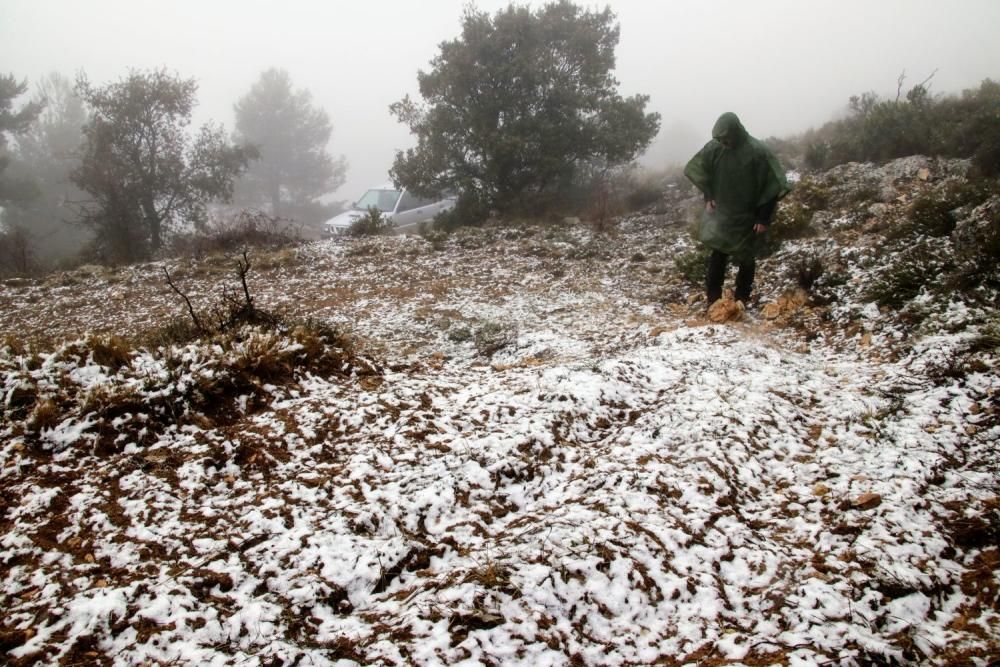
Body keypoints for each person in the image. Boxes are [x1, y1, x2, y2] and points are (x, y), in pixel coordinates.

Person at [684, 112, 790, 307]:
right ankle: (713, 300)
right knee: (718, 256)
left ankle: (742, 299)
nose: (724, 143)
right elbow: (703, 170)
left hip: (749, 216)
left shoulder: (758, 152)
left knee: (747, 259)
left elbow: (771, 186)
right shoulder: (715, 149)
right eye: (720, 139)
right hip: (723, 215)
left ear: (736, 131)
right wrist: (709, 196)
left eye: (726, 138)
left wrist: (763, 218)